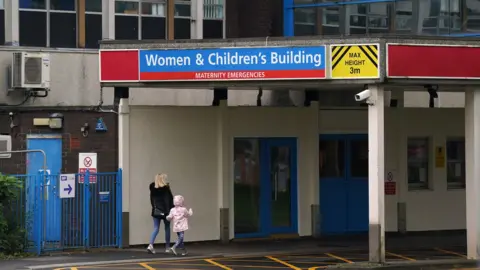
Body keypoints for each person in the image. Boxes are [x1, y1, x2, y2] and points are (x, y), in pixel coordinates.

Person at [147, 173, 174, 254]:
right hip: (166, 211)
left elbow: (151, 200)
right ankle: (167, 247)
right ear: (163, 179)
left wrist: (154, 208)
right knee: (167, 228)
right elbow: (167, 200)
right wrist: (169, 211)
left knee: (156, 228)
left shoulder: (153, 189)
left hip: (156, 211)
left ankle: (150, 245)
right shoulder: (165, 189)